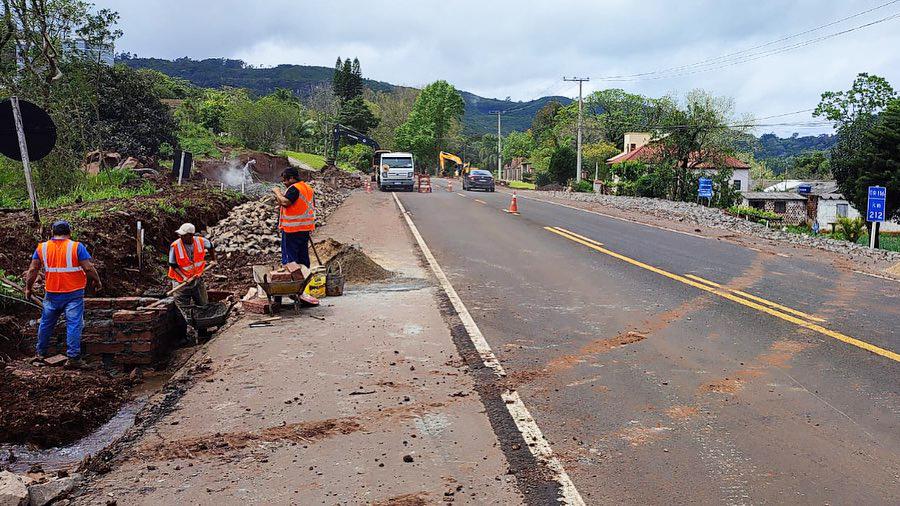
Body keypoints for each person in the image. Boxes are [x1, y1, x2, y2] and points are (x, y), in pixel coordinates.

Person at [24, 220, 102, 368]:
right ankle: (73, 358)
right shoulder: (76, 246)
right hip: (73, 293)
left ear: (52, 232)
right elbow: (89, 268)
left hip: (52, 293)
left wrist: (28, 288)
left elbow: (33, 269)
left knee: (46, 324)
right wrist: (97, 282)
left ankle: (40, 354)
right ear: (69, 232)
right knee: (73, 325)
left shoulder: (42, 248)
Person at [168, 223, 215, 318]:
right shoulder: (175, 245)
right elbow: (173, 264)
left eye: (184, 235)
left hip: (196, 278)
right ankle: (183, 330)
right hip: (181, 282)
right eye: (180, 235)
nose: (181, 237)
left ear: (191, 235)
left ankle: (203, 329)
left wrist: (214, 259)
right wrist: (184, 277)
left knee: (203, 305)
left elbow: (211, 245)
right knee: (182, 309)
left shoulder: (201, 241)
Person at [273, 167, 315, 267]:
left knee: (290, 259)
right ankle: (305, 276)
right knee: (302, 256)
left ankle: (294, 279)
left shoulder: (294, 188)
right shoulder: (307, 188)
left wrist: (277, 192)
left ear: (291, 178)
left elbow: (285, 202)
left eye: (284, 180)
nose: (283, 183)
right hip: (304, 227)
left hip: (292, 229)